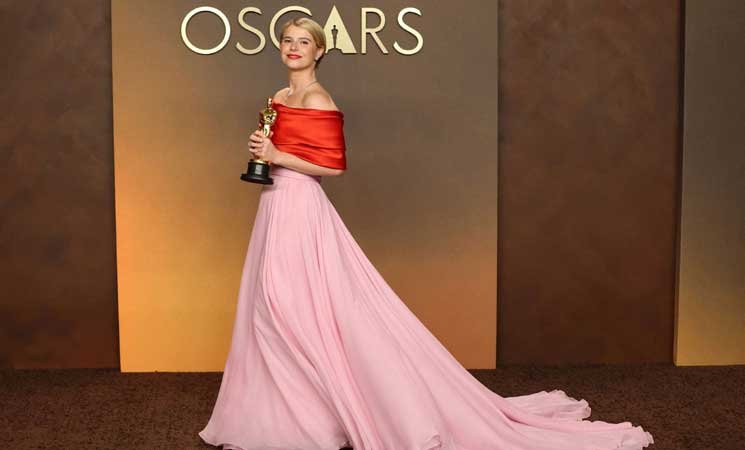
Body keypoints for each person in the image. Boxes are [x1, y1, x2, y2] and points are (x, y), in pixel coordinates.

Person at [198, 17, 654, 450]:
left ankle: (316, 418)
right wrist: (265, 151)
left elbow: (332, 167)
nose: (293, 48)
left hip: (300, 206)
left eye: (303, 41)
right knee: (271, 307)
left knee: (292, 308)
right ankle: (285, 418)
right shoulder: (280, 94)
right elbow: (285, 150)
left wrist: (277, 155)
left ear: (319, 51)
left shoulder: (319, 99)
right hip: (274, 203)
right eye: (288, 40)